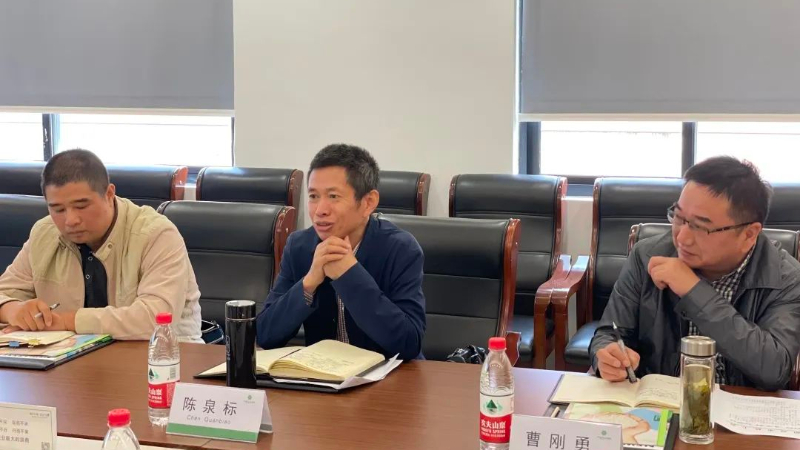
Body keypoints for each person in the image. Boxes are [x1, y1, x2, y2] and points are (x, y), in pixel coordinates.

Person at [590, 156, 800, 390]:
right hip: (659, 403)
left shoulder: (785, 277)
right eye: (679, 217)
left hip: (740, 407)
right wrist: (606, 357)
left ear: (749, 234)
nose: (682, 237)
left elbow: (773, 369)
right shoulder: (646, 256)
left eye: (700, 227)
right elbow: (610, 333)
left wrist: (694, 291)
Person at [0, 149, 202, 342]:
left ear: (109, 194)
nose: (70, 220)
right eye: (58, 209)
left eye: (81, 206)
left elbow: (155, 318)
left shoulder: (156, 234)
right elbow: (5, 292)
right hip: (70, 359)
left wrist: (67, 321)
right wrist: (13, 310)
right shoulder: (44, 233)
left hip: (163, 357)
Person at [256, 144, 425, 360]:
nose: (320, 210)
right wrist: (308, 284)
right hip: (323, 374)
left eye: (333, 196)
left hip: (389, 376)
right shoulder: (299, 247)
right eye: (313, 196)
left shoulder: (400, 249)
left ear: (368, 203)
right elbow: (265, 335)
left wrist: (350, 275)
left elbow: (409, 343)